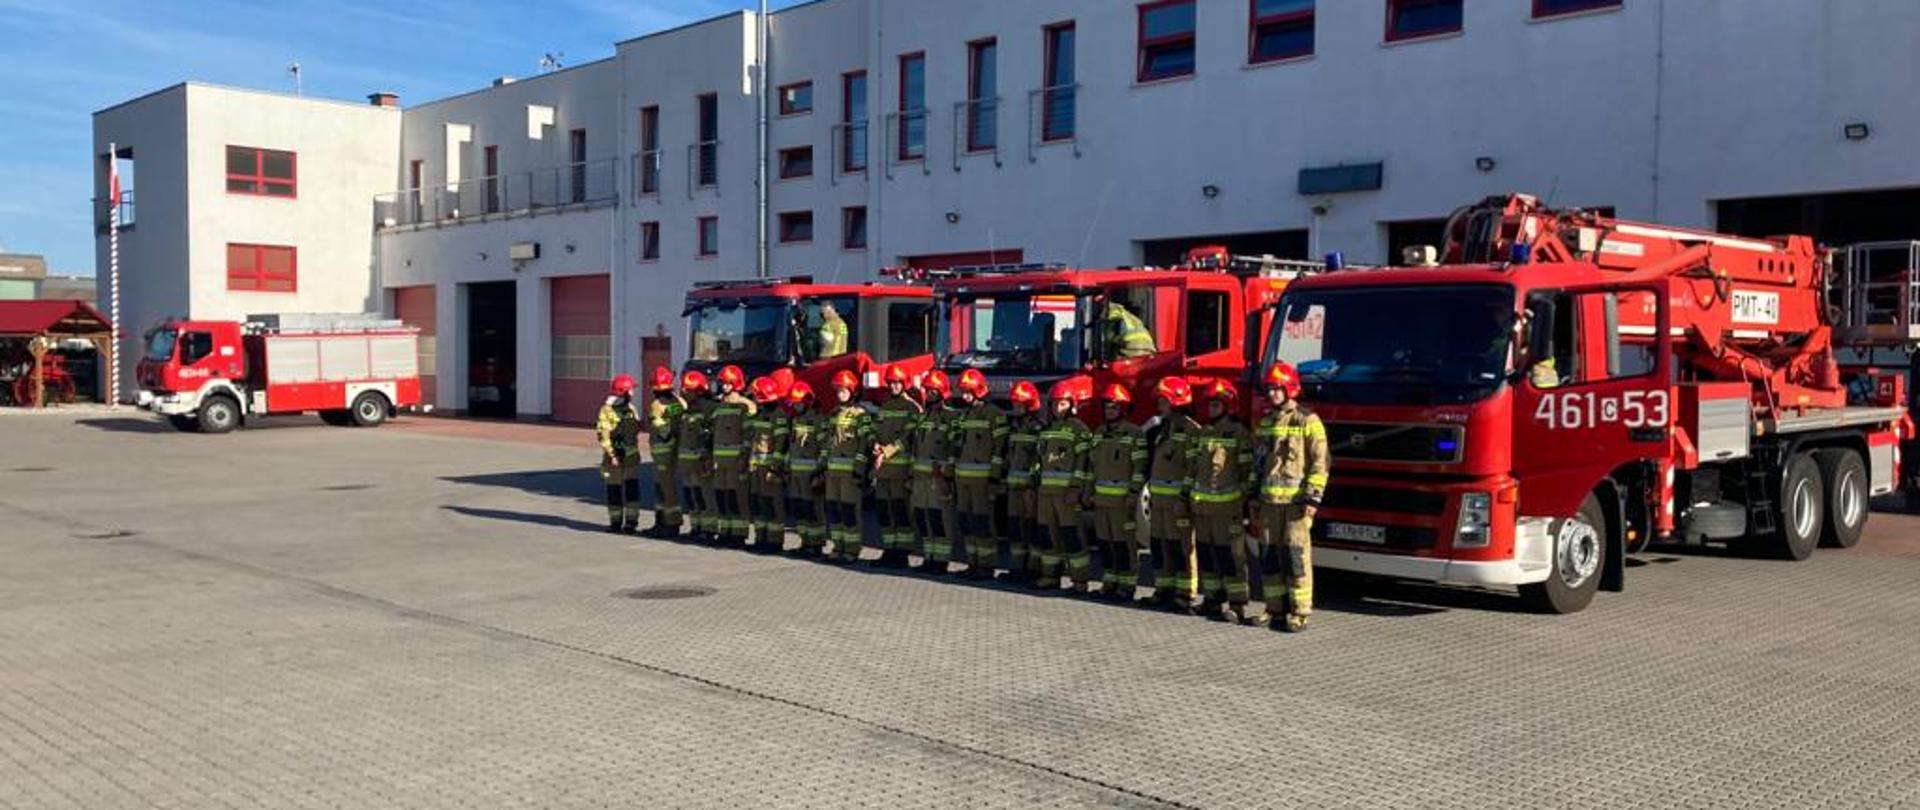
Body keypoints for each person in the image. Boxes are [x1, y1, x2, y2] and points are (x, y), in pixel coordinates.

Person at [1251, 362, 1330, 632]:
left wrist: (1312, 499)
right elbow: (1258, 464)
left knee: (1296, 556)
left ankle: (1300, 612)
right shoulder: (1265, 423)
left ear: (1290, 389)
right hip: (1269, 504)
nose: (1272, 394)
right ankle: (1274, 609)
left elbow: (1320, 463)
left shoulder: (1308, 421)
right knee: (1270, 556)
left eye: (1277, 388)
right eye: (1269, 389)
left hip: (1297, 505)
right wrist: (1253, 495)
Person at [1186, 379, 1256, 621]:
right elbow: (1195, 468)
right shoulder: (1205, 432)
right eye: (1210, 405)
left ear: (1228, 405)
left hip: (1228, 509)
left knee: (1232, 557)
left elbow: (1248, 472)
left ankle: (1237, 605)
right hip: (1203, 509)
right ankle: (1212, 600)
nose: (1212, 409)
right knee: (1207, 554)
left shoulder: (1239, 433)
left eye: (1216, 405)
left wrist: (1243, 501)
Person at [1085, 383, 1148, 599]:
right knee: (1105, 543)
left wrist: (1133, 494)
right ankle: (1109, 581)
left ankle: (1127, 585)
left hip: (1123, 503)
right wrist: (1088, 491)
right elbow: (1092, 466)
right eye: (1107, 408)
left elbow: (1139, 469)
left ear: (1123, 409)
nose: (1109, 412)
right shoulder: (1100, 433)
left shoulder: (1135, 434)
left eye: (1114, 408)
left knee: (1124, 545)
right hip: (1101, 501)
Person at [1144, 376, 1201, 610]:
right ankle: (1163, 589)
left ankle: (1185, 593)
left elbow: (1192, 468)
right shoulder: (1161, 429)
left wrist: (1183, 498)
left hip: (1177, 502)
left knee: (1182, 547)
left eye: (1163, 400)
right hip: (1159, 501)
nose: (1159, 405)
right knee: (1160, 545)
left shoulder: (1191, 431)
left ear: (1176, 401)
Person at [1033, 379, 1094, 589]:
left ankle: (1080, 580)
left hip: (1066, 493)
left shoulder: (1080, 430)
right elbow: (1040, 460)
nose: (1057, 408)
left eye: (1062, 404)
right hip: (1045, 493)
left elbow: (1083, 462)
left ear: (1072, 404)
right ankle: (1050, 576)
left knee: (1072, 535)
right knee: (1048, 535)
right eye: (1054, 404)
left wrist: (1076, 488)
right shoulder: (1047, 429)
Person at [949, 369, 1008, 579]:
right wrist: (951, 471)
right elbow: (957, 446)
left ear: (979, 390)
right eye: (963, 391)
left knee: (983, 522)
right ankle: (972, 562)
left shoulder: (995, 415)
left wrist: (994, 477)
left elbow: (1000, 449)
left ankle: (986, 565)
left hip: (982, 481)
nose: (964, 396)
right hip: (963, 479)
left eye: (968, 392)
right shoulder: (965, 415)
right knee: (967, 521)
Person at [870, 365, 923, 566]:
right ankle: (889, 550)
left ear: (904, 383)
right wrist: (874, 444)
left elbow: (907, 438)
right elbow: (876, 431)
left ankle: (902, 553)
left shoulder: (913, 408)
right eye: (890, 382)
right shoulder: (884, 406)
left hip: (900, 470)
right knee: (885, 510)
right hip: (883, 470)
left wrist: (886, 451)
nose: (893, 386)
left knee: (901, 511)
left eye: (897, 383)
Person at [908, 370, 959, 572]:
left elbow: (955, 448)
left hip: (938, 479)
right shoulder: (923, 417)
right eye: (927, 391)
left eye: (933, 391)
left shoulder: (952, 418)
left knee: (940, 518)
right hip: (920, 478)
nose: (929, 394)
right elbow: (914, 447)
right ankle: (929, 556)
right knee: (923, 516)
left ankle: (941, 559)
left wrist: (947, 473)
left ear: (942, 392)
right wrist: (911, 475)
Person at [822, 370, 872, 563]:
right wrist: (823, 467)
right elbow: (829, 442)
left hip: (850, 473)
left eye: (843, 390)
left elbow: (864, 443)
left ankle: (851, 550)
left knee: (849, 511)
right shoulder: (834, 413)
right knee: (834, 510)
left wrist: (859, 470)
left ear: (852, 391)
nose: (839, 394)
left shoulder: (861, 415)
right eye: (838, 391)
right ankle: (838, 546)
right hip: (833, 472)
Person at [707, 365, 758, 547]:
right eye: (723, 383)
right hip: (720, 461)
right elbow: (713, 434)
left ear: (736, 384)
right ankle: (725, 531)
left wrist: (744, 458)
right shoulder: (719, 406)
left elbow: (749, 435)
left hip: (737, 460)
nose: (725, 387)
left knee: (738, 498)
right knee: (723, 496)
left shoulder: (746, 406)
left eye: (728, 383)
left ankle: (739, 534)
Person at [1002, 380, 1045, 582]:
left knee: (1031, 528)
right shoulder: (1014, 427)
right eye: (1014, 405)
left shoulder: (1038, 428)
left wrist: (1032, 485)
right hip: (1013, 487)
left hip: (1029, 489)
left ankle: (1033, 569)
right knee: (1014, 528)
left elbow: (1039, 460)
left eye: (1019, 405)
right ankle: (1018, 567)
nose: (1015, 409)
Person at [783, 382, 830, 557]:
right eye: (794, 403)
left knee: (813, 510)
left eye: (798, 402)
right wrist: (786, 468)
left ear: (808, 402)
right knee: (800, 509)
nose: (795, 405)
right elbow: (792, 446)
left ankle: (816, 544)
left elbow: (824, 448)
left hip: (810, 474)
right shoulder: (795, 420)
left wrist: (820, 472)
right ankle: (805, 541)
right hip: (795, 473)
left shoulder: (818, 420)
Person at [745, 375, 791, 553]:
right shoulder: (760, 414)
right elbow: (754, 441)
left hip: (770, 469)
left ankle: (774, 541)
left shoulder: (778, 416)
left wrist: (775, 468)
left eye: (757, 396)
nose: (755, 399)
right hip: (757, 467)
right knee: (759, 503)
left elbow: (781, 444)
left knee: (773, 504)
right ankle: (760, 537)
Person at [596, 374, 644, 533]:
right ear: (624, 391)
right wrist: (612, 455)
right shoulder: (614, 410)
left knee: (625, 489)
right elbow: (604, 435)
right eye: (631, 389)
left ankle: (625, 523)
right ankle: (622, 523)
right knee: (619, 489)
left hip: (626, 458)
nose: (633, 393)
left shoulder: (625, 409)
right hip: (619, 458)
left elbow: (635, 428)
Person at [643, 366, 685, 539]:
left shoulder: (657, 405)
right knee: (665, 487)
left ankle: (669, 524)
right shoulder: (678, 402)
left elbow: (659, 427)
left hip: (662, 452)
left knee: (664, 488)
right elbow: (680, 422)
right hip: (675, 450)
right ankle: (662, 523)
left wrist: (666, 435)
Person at [675, 369, 716, 542]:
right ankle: (696, 527)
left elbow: (712, 435)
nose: (684, 392)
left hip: (701, 462)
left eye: (688, 389)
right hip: (687, 463)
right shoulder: (688, 409)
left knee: (704, 496)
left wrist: (708, 458)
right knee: (692, 496)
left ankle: (708, 529)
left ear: (699, 390)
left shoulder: (710, 409)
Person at [1100, 296, 1157, 360]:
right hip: (1149, 351)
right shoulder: (1125, 314)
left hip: (1133, 350)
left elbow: (1107, 338)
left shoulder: (1113, 314)